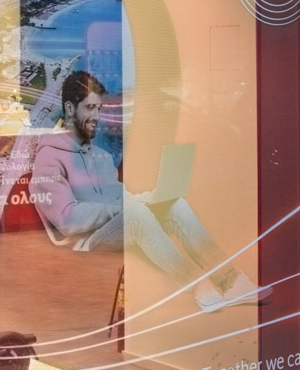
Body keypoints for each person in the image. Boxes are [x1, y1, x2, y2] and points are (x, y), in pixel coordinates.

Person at [28, 71, 266, 313]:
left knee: (176, 204)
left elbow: (120, 197)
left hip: (115, 226)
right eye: (90, 108)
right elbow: (68, 220)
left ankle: (231, 281)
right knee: (136, 216)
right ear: (70, 108)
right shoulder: (49, 158)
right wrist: (122, 209)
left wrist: (150, 198)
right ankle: (197, 285)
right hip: (85, 241)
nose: (96, 117)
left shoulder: (100, 156)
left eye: (99, 109)